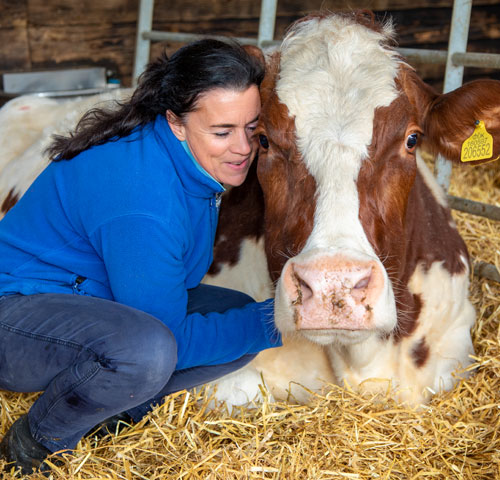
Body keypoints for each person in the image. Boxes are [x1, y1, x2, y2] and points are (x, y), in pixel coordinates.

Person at [0, 39, 281, 475]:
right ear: (176, 122)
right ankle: (38, 439)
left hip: (79, 296)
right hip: (14, 318)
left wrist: (263, 320)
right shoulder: (143, 199)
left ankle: (107, 408)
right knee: (147, 352)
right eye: (222, 132)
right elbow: (168, 339)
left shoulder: (180, 159)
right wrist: (280, 320)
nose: (243, 147)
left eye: (251, 128)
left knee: (235, 313)